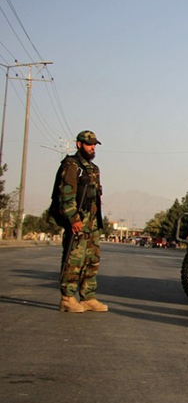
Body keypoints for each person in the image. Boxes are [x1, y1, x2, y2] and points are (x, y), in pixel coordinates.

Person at [53, 130, 107, 313]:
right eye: (89, 144)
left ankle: (88, 297)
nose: (92, 148)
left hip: (92, 222)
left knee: (92, 259)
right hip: (77, 220)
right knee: (74, 259)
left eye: (94, 145)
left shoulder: (93, 169)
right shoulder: (71, 165)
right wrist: (73, 218)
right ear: (79, 144)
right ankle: (67, 298)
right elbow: (66, 195)